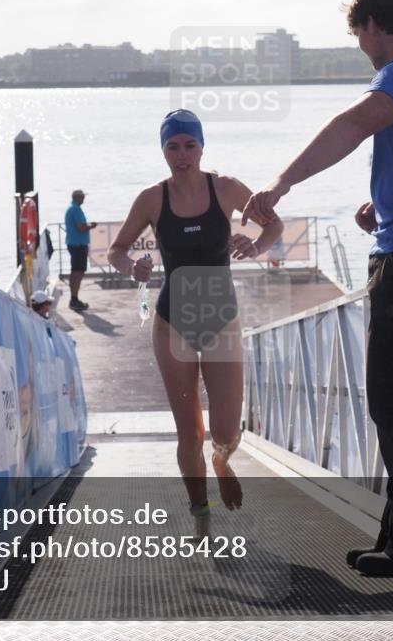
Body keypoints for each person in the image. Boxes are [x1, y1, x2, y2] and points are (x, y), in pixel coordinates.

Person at [243, 0, 393, 577]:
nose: (359, 45)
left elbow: (350, 126)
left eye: (357, 32)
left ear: (373, 25)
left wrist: (280, 184)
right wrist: (388, 204)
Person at [107, 109, 283, 530]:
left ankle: (222, 462)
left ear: (202, 147)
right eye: (173, 146)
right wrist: (132, 267)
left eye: (190, 145)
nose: (182, 154)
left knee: (225, 427)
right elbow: (116, 250)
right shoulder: (152, 198)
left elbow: (274, 225)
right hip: (173, 322)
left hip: (220, 317)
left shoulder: (225, 188)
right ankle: (200, 512)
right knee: (190, 431)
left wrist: (257, 246)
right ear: (163, 149)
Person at [64, 189, 97, 311]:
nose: (84, 199)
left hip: (75, 244)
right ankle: (74, 299)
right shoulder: (75, 209)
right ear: (76, 197)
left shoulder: (72, 209)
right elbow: (81, 227)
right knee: (77, 272)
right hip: (77, 245)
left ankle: (74, 298)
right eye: (82, 197)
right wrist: (91, 226)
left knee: (76, 271)